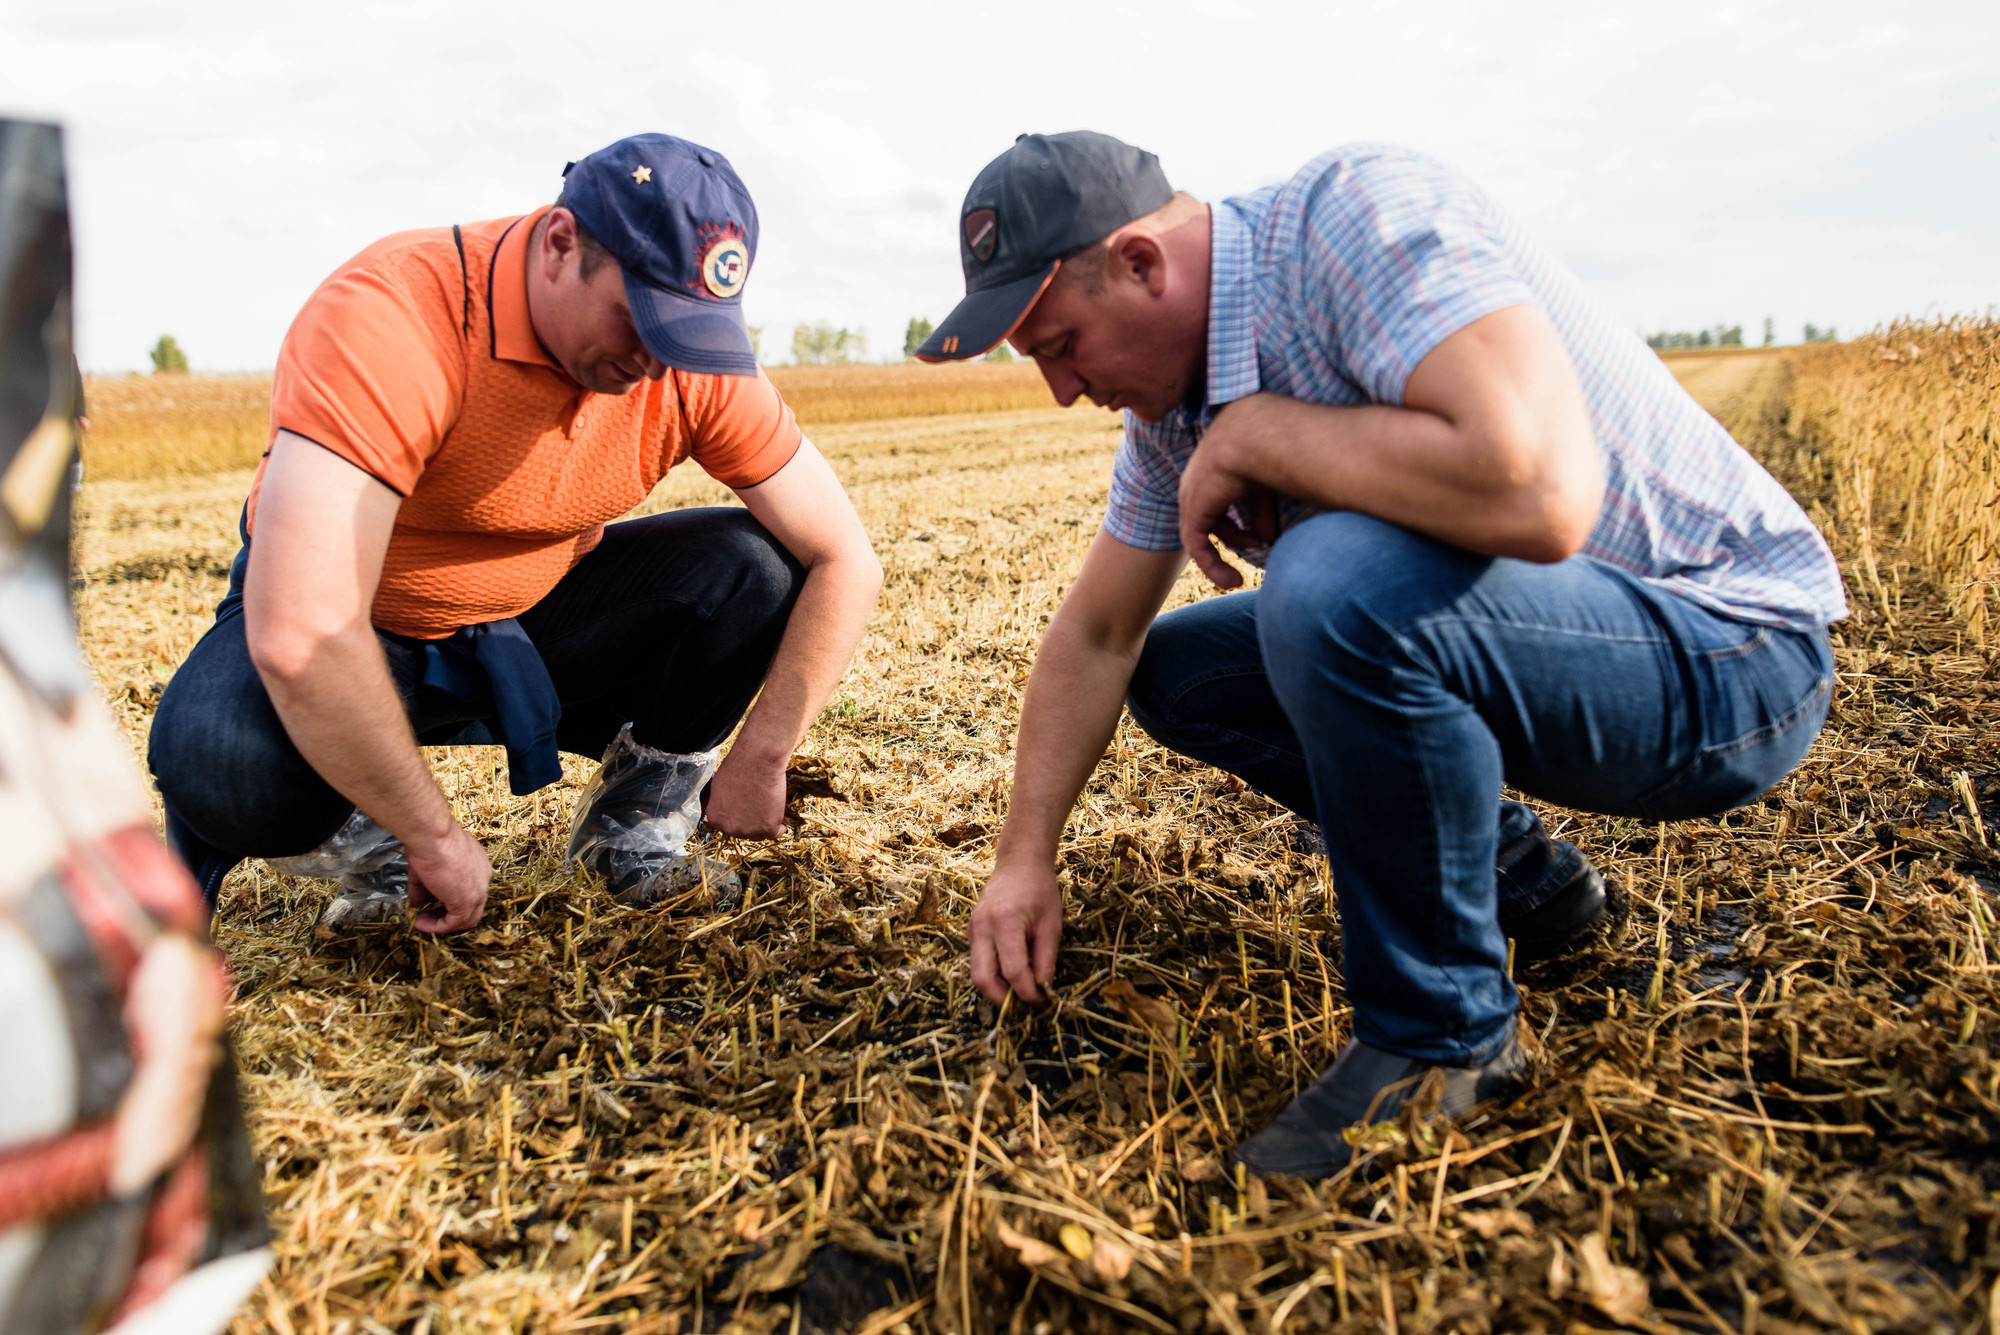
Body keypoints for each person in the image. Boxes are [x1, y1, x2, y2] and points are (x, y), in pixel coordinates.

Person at [918, 132, 1843, 1178]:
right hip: (1548, 644)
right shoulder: (1174, 414)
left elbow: (1536, 492)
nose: (1057, 389)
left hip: (1724, 656)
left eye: (1058, 342)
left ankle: (1439, 1040)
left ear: (1141, 262)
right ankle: (1518, 884)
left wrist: (1264, 434)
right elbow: (1096, 635)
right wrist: (1022, 859)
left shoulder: (1349, 218)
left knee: (1327, 582)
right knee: (1184, 670)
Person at [150, 133, 882, 934]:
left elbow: (845, 557)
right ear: (561, 245)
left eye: (685, 331)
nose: (654, 360)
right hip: (365, 628)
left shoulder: (683, 359)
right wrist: (436, 833)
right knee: (226, 759)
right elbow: (302, 630)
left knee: (755, 567)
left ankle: (631, 828)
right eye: (640, 319)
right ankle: (375, 830)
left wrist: (763, 755)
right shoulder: (394, 316)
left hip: (536, 619)